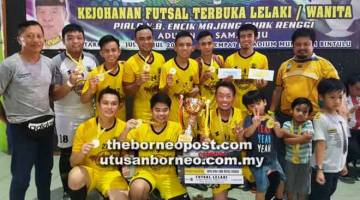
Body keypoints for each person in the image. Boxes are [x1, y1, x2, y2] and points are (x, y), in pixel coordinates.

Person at [269, 27, 339, 169]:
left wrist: (334, 114)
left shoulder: (324, 65)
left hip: (311, 120)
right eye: (298, 45)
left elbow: (336, 92)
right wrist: (271, 113)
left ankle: (305, 188)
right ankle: (284, 187)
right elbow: (277, 90)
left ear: (313, 44)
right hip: (285, 118)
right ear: (293, 46)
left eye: (306, 44)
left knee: (308, 158)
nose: (302, 48)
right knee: (282, 156)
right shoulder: (284, 65)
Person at [0, 20, 55, 200]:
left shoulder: (48, 63)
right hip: (20, 130)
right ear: (19, 39)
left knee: (44, 175)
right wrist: (7, 119)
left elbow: (49, 93)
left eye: (39, 36)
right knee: (21, 178)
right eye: (29, 36)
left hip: (45, 127)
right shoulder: (9, 65)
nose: (35, 40)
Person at [51, 23, 98, 199]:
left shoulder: (92, 59)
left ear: (84, 39)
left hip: (88, 113)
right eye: (70, 38)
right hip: (66, 115)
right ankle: (66, 190)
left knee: (87, 151)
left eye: (79, 37)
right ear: (63, 41)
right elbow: (54, 95)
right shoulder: (57, 62)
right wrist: (70, 83)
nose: (75, 41)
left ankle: (83, 184)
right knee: (67, 152)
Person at [119, 92, 190, 200]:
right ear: (151, 111)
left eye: (165, 110)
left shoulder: (176, 128)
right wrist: (126, 129)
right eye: (157, 110)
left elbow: (186, 146)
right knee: (137, 188)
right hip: (145, 172)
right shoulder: (140, 128)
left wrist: (190, 127)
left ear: (170, 110)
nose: (161, 113)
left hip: (168, 176)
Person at [68, 87, 136, 200]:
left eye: (114, 104)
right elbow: (72, 162)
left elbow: (127, 157)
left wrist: (128, 167)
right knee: (75, 177)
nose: (109, 107)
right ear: (98, 105)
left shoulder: (125, 128)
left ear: (119, 107)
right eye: (105, 103)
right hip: (89, 171)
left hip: (111, 173)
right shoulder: (84, 127)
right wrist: (81, 152)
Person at [198, 81, 251, 199]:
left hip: (239, 161)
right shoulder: (207, 116)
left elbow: (245, 147)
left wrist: (240, 136)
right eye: (220, 96)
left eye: (228, 96)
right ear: (215, 97)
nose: (224, 100)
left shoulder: (242, 115)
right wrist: (204, 142)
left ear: (234, 97)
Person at [309, 78, 349, 200]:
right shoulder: (320, 118)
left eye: (340, 97)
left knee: (329, 193)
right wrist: (320, 169)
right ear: (321, 97)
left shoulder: (341, 118)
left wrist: (343, 163)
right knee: (319, 196)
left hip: (336, 167)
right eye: (332, 97)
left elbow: (343, 143)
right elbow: (320, 144)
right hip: (324, 167)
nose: (337, 101)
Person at [243, 90, 285, 200]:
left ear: (265, 102)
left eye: (258, 103)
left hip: (272, 158)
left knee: (282, 179)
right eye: (252, 106)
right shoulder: (249, 119)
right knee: (261, 186)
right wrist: (254, 124)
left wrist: (277, 127)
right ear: (248, 109)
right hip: (257, 160)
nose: (256, 107)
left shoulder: (271, 118)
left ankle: (279, 198)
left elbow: (279, 135)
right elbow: (247, 134)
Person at [224, 23, 268, 117]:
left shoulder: (262, 58)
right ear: (238, 39)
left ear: (255, 38)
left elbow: (265, 83)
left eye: (249, 36)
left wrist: (261, 84)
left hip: (254, 107)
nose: (246, 39)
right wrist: (226, 82)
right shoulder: (229, 59)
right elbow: (225, 84)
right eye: (243, 36)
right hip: (235, 107)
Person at [123, 24, 165, 120]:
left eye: (149, 38)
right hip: (142, 112)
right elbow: (127, 91)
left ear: (153, 39)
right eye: (142, 39)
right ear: (136, 41)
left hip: (160, 110)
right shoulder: (130, 63)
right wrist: (137, 83)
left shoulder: (160, 58)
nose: (146, 42)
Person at [81, 35, 126, 120]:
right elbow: (83, 100)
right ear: (101, 53)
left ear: (119, 51)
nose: (111, 54)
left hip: (121, 121)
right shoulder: (95, 73)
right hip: (102, 121)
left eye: (113, 50)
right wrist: (91, 89)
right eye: (107, 51)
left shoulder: (126, 68)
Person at [159, 31, 199, 123]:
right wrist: (167, 86)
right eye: (181, 45)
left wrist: (196, 89)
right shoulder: (166, 66)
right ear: (175, 47)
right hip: (173, 115)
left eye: (188, 45)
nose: (185, 48)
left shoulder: (195, 64)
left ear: (192, 48)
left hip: (190, 114)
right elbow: (162, 93)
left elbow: (196, 85)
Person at [282, 98, 314, 200]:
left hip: (305, 161)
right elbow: (286, 141)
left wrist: (294, 138)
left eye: (305, 112)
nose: (300, 113)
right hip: (289, 160)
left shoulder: (308, 124)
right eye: (298, 110)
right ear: (292, 110)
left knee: (303, 187)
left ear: (308, 115)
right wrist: (302, 137)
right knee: (289, 185)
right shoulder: (287, 124)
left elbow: (307, 138)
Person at [196, 31, 224, 109]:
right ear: (198, 46)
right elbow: (192, 87)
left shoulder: (219, 59)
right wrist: (203, 79)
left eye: (209, 43)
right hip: (202, 106)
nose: (207, 47)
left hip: (218, 106)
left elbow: (223, 81)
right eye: (203, 44)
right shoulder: (196, 63)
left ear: (213, 44)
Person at [345, 74, 360, 170]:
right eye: (357, 88)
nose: (359, 91)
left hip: (359, 130)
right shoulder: (342, 99)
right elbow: (340, 118)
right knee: (355, 151)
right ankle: (343, 163)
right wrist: (351, 110)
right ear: (350, 86)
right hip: (348, 131)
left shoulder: (359, 98)